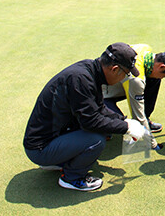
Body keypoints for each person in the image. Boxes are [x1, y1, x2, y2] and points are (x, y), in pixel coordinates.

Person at [23, 42, 149, 191]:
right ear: (115, 69)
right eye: (126, 74)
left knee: (101, 129)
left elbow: (99, 108)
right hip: (40, 148)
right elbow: (90, 121)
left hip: (53, 135)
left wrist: (123, 121)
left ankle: (59, 161)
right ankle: (71, 178)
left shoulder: (90, 70)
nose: (125, 77)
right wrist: (126, 128)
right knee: (95, 140)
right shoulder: (81, 79)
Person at [102, 44, 165, 150]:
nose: (163, 78)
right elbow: (138, 116)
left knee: (154, 79)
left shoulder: (145, 49)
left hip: (119, 85)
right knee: (119, 124)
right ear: (162, 66)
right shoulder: (136, 80)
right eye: (164, 76)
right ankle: (102, 130)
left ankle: (147, 121)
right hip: (101, 95)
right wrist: (152, 144)